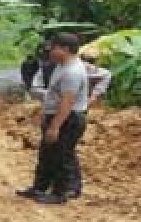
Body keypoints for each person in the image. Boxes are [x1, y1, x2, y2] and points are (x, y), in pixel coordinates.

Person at [16, 33, 88, 205]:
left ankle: (61, 192)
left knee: (61, 155)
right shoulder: (62, 66)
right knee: (48, 153)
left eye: (54, 48)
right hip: (58, 116)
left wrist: (55, 126)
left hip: (67, 118)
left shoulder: (72, 72)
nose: (50, 52)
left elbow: (67, 102)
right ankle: (40, 187)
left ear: (65, 49)